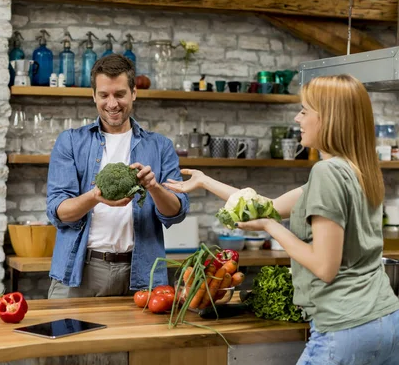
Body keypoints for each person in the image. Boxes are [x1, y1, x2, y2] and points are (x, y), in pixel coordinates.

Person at [164, 74, 399, 364]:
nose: (297, 118)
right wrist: (205, 181)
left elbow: (325, 267)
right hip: (386, 322)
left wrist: (270, 227)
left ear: (328, 119)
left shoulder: (326, 174)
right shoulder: (359, 171)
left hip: (345, 326)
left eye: (304, 110)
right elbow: (265, 206)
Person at [46, 54, 189, 298]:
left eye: (120, 94)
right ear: (94, 96)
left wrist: (154, 187)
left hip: (142, 272)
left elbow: (176, 213)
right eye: (104, 95)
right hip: (81, 271)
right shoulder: (70, 142)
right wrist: (95, 197)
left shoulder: (160, 146)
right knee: (70, 336)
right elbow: (58, 212)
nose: (112, 104)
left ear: (134, 93)